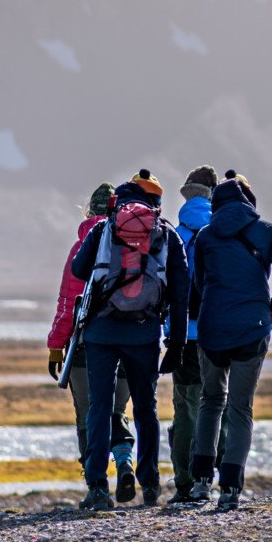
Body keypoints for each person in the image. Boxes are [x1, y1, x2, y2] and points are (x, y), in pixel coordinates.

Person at [68, 169, 189, 510]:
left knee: (100, 407)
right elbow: (181, 294)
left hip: (101, 334)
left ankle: (97, 488)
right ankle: (149, 484)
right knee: (145, 409)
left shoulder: (105, 227)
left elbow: (79, 270)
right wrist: (176, 344)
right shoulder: (165, 233)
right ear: (156, 202)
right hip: (144, 334)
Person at [183, 171, 272, 513]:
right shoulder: (269, 233)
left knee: (210, 400)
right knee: (240, 407)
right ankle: (231, 487)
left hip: (212, 329)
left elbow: (200, 284)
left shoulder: (205, 237)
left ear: (215, 205)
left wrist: (213, 308)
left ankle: (200, 482)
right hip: (252, 327)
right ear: (248, 203)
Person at [46, 183, 136, 501]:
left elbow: (68, 303)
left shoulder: (81, 245)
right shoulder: (134, 242)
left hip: (86, 344)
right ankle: (125, 463)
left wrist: (56, 345)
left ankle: (96, 487)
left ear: (89, 211)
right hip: (131, 340)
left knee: (87, 414)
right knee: (117, 410)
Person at [164, 165, 227, 504]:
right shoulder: (224, 231)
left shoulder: (176, 233)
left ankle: (186, 483)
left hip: (183, 337)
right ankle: (221, 477)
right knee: (221, 403)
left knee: (187, 407)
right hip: (219, 334)